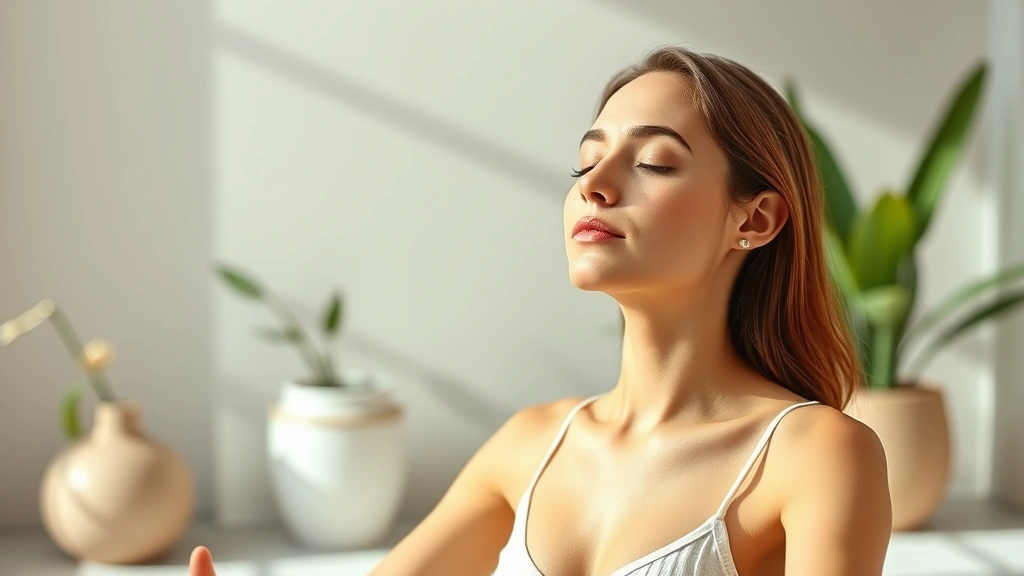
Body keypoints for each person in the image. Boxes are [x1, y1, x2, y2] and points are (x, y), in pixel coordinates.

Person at [189, 45, 892, 576]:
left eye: (653, 162)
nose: (597, 187)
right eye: (585, 164)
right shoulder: (533, 443)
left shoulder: (817, 455)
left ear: (758, 217)